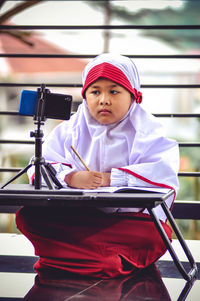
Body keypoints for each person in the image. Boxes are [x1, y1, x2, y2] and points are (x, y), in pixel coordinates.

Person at [16, 53, 179, 279]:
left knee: (154, 235)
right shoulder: (69, 129)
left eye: (114, 91)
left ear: (133, 95)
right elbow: (39, 166)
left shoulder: (148, 132)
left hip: (128, 223)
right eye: (95, 92)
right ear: (85, 96)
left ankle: (66, 258)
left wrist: (110, 179)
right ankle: (103, 261)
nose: (103, 99)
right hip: (81, 217)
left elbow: (163, 175)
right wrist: (69, 178)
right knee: (28, 216)